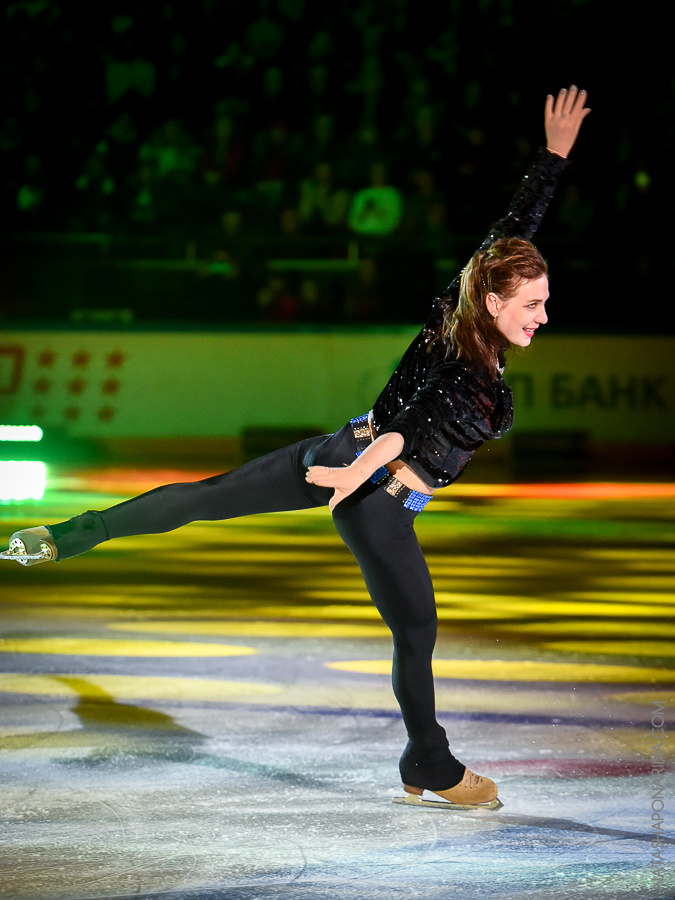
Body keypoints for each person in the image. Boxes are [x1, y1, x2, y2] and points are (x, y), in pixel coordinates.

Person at [1, 87, 590, 810]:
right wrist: (357, 474)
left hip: (342, 447)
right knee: (416, 628)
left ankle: (66, 536)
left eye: (543, 300)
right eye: (532, 304)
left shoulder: (455, 307)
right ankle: (428, 764)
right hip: (374, 494)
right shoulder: (475, 380)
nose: (543, 314)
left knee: (211, 497)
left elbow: (509, 229)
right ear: (495, 303)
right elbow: (412, 427)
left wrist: (553, 159)